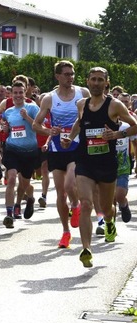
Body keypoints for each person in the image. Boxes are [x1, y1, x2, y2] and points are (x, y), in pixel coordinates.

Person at [61, 66, 137, 267]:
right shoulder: (81, 103)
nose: (96, 83)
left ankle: (110, 222)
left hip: (106, 163)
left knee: (105, 208)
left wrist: (117, 134)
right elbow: (79, 122)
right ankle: (86, 249)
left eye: (100, 80)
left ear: (107, 83)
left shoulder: (115, 105)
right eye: (93, 79)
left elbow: (135, 124)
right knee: (86, 203)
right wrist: (70, 137)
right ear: (87, 81)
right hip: (85, 161)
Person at [33, 60, 90, 248]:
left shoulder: (83, 94)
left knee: (69, 184)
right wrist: (49, 132)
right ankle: (65, 232)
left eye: (72, 74)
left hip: (77, 147)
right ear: (57, 76)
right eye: (66, 74)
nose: (70, 77)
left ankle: (75, 206)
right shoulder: (49, 98)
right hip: (57, 149)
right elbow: (36, 124)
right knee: (59, 192)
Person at [0, 81, 39, 228]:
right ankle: (9, 214)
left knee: (25, 183)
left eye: (20, 92)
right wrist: (5, 129)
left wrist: (27, 117)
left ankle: (28, 198)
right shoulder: (8, 111)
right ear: (12, 94)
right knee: (11, 178)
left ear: (25, 92)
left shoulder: (33, 107)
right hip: (12, 150)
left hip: (29, 151)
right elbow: (8, 129)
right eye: (15, 93)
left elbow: (39, 127)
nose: (17, 96)